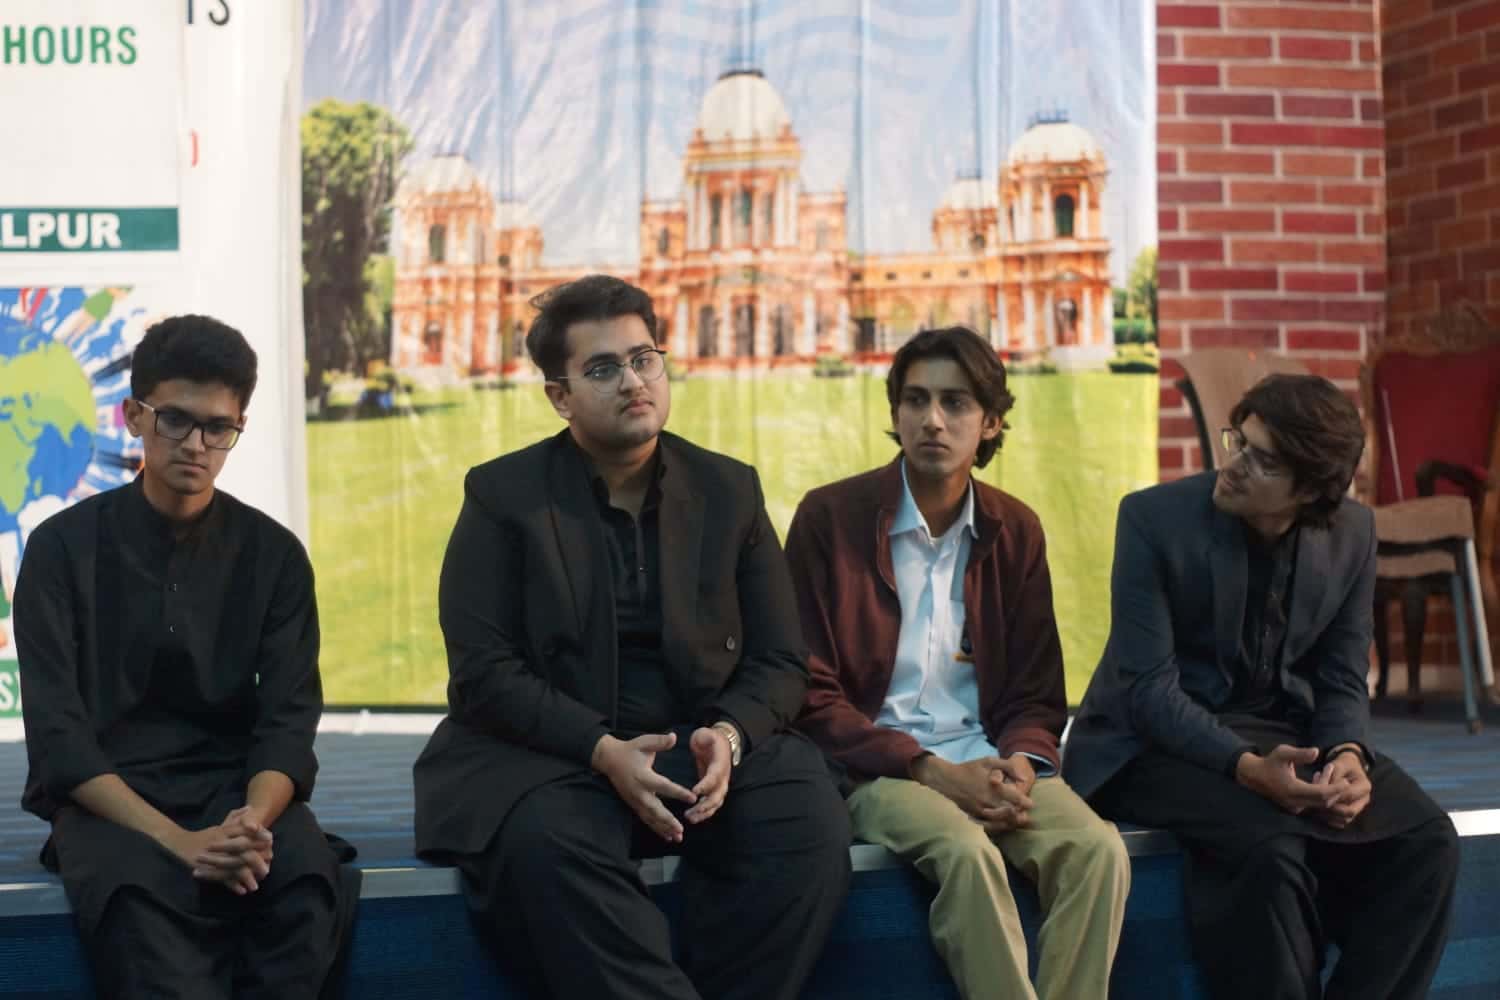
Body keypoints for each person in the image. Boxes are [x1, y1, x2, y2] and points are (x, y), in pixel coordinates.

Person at [412, 275, 850, 1000]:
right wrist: (600, 748)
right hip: (557, 753)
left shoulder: (729, 490)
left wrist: (730, 736)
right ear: (560, 396)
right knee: (542, 848)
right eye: (603, 369)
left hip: (699, 741)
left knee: (806, 820)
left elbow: (780, 659)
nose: (633, 381)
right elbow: (483, 672)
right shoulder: (502, 497)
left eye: (644, 358)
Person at [1065, 373, 1460, 1000]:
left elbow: (1341, 675)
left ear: (1311, 489)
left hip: (1283, 728)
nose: (1235, 465)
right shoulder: (1152, 520)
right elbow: (1148, 691)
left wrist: (1348, 754)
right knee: (1272, 848)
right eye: (1239, 442)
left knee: (1427, 841)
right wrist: (1247, 768)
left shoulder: (1353, 533)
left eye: (1263, 460)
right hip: (1148, 742)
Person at [15, 314, 358, 998]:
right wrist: (181, 842)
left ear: (237, 428)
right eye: (175, 420)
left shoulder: (274, 556)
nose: (196, 445)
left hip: (236, 792)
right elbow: (60, 742)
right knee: (147, 922)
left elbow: (288, 725)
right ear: (134, 416)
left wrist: (249, 824)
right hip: (112, 800)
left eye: (218, 427)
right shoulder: (60, 551)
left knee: (305, 892)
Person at [787, 327, 1130, 1000]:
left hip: (988, 757)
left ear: (991, 421)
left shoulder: (1015, 528)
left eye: (955, 402)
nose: (932, 420)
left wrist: (1023, 764)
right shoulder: (830, 518)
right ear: (895, 414)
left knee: (1099, 852)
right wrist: (930, 769)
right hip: (875, 768)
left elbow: (1035, 692)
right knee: (967, 853)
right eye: (915, 400)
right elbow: (808, 692)